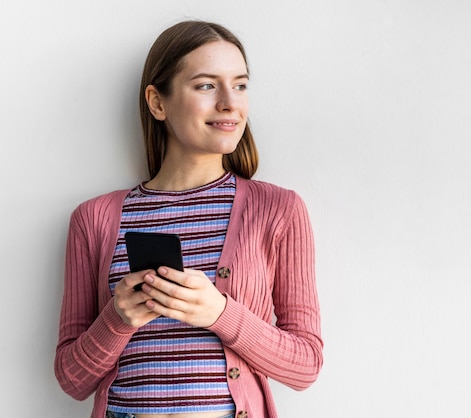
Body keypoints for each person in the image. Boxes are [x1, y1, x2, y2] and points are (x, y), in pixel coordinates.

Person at [54, 20, 323, 418]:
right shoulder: (94, 218)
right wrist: (117, 317)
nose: (230, 102)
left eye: (241, 85)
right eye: (206, 85)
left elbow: (306, 365)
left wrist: (219, 313)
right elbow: (71, 380)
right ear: (157, 102)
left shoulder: (278, 210)